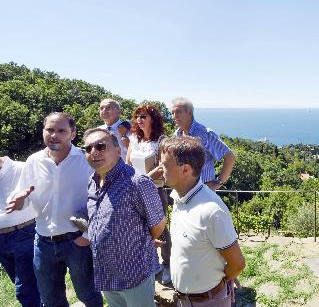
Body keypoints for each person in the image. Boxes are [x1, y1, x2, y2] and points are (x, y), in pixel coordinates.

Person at [5, 112, 103, 307]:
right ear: (43, 131)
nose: (54, 135)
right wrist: (18, 201)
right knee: (51, 300)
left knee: (88, 295)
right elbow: (22, 196)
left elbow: (103, 199)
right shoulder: (34, 161)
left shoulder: (86, 160)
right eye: (50, 130)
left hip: (78, 241)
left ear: (73, 133)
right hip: (43, 242)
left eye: (61, 131)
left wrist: (89, 235)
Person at [83, 128, 166, 307]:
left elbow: (159, 223)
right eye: (88, 149)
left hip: (135, 274)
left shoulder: (137, 182)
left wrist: (143, 241)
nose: (94, 152)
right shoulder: (92, 181)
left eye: (100, 146)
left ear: (118, 150)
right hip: (106, 273)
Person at [159, 136, 245, 307]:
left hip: (208, 302)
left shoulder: (211, 211)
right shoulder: (179, 197)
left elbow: (237, 263)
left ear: (186, 170)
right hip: (184, 299)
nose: (160, 169)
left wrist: (218, 285)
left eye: (165, 165)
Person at [125, 104, 172, 285]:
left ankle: (167, 264)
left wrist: (143, 181)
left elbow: (162, 167)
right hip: (135, 189)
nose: (139, 120)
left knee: (160, 228)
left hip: (155, 189)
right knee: (141, 227)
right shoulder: (134, 139)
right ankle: (152, 263)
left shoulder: (161, 141)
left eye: (143, 116)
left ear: (153, 119)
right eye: (138, 116)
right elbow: (128, 163)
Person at [0, 156, 40, 307]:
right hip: (1, 239)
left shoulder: (22, 168)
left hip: (24, 233)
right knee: (29, 288)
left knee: (25, 289)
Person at [171, 97, 236, 190]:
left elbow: (230, 157)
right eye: (172, 113)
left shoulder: (205, 133)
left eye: (178, 112)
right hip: (183, 191)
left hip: (203, 191)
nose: (174, 116)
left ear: (189, 113)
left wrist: (219, 183)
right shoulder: (177, 135)